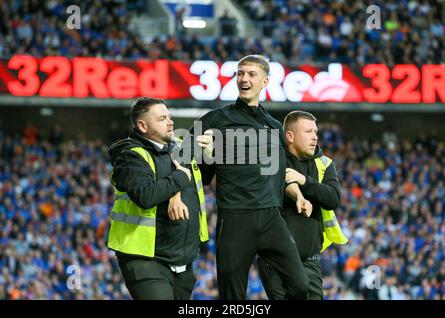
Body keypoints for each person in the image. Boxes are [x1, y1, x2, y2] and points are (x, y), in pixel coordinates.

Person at [190, 55, 309, 300]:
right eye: (240, 73)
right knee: (232, 297)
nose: (244, 78)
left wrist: (297, 194)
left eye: (251, 74)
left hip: (271, 217)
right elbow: (192, 171)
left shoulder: (275, 126)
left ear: (265, 82)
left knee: (299, 286)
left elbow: (282, 172)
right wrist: (208, 155)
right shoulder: (215, 120)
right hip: (234, 217)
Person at [107, 97, 213, 300]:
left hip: (184, 260)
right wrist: (179, 180)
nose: (170, 122)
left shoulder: (181, 147)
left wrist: (209, 155)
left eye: (169, 116)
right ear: (143, 125)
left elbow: (201, 179)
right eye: (162, 118)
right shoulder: (130, 156)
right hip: (146, 260)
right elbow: (146, 196)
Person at [258, 110, 348, 299]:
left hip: (310, 261)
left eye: (315, 132)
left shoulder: (324, 164)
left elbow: (333, 199)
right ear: (290, 136)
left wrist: (304, 181)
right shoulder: (272, 158)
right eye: (308, 132)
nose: (315, 137)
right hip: (275, 261)